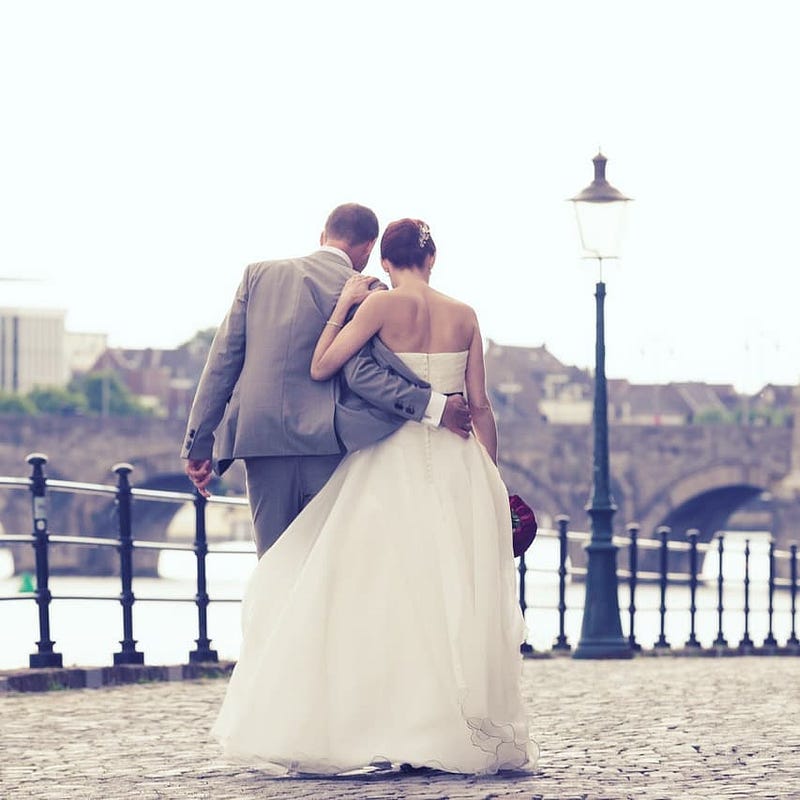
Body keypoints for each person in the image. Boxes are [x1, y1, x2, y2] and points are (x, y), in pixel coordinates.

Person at [211, 218, 537, 775]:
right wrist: (491, 478)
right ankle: (452, 723)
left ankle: (390, 723)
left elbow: (322, 364)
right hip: (460, 459)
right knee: (451, 592)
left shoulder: (380, 307)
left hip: (393, 456)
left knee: (385, 593)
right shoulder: (465, 315)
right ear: (433, 260)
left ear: (384, 262)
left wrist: (344, 307)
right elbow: (480, 405)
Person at [180, 203, 471, 556]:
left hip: (262, 442)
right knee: (323, 572)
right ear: (368, 248)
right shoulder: (367, 291)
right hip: (327, 445)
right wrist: (435, 405)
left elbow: (222, 362)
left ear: (323, 236)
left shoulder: (257, 276)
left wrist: (198, 443)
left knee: (274, 563)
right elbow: (365, 373)